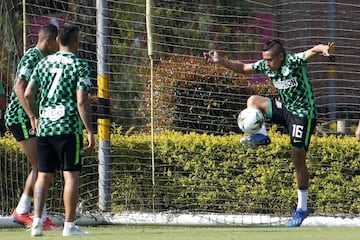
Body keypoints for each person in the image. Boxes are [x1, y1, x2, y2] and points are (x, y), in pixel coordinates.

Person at [204, 39, 334, 227]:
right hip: (286, 109)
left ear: (281, 57)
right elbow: (243, 68)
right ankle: (262, 135)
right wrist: (221, 61)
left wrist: (324, 49)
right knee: (253, 101)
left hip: (303, 114)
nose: (266, 64)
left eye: (270, 60)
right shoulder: (266, 65)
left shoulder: (294, 61)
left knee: (297, 158)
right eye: (264, 60)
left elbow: (312, 51)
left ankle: (302, 208)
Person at [24, 23, 95, 237]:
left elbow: (28, 93)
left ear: (57, 40)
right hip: (68, 127)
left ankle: (36, 223)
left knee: (44, 175)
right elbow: (81, 102)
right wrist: (89, 130)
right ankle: (69, 226)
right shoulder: (80, 65)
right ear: (77, 40)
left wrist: (36, 114)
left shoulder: (43, 63)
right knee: (71, 176)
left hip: (45, 127)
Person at [4, 23, 60, 230]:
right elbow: (19, 87)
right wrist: (31, 115)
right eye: (57, 42)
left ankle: (26, 211)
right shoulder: (32, 57)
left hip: (30, 118)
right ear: (49, 40)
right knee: (42, 166)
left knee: (43, 166)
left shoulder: (45, 59)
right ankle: (33, 215)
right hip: (20, 117)